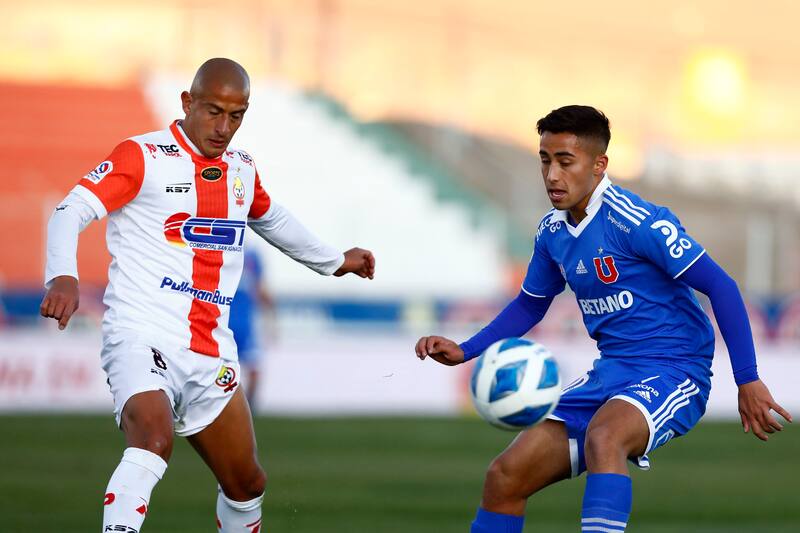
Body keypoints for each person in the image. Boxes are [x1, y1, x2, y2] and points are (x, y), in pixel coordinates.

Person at [414, 105, 791, 533]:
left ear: (599, 164)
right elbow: (530, 304)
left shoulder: (637, 222)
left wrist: (748, 378)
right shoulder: (552, 232)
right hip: (609, 374)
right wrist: (466, 350)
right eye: (545, 160)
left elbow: (721, 286)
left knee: (604, 437)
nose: (552, 175)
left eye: (565, 161)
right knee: (505, 476)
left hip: (673, 371)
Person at [40, 58, 375, 533]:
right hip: (142, 334)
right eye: (214, 111)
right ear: (187, 103)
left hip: (210, 349)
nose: (224, 127)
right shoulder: (143, 156)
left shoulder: (240, 169)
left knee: (247, 483)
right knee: (152, 440)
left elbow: (272, 217)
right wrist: (62, 276)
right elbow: (70, 209)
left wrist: (335, 260)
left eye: (236, 116)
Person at [228, 248, 273, 409]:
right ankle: (239, 407)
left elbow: (260, 289)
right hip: (224, 321)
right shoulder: (249, 255)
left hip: (244, 323)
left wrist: (271, 320)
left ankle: (249, 407)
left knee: (253, 367)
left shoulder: (252, 255)